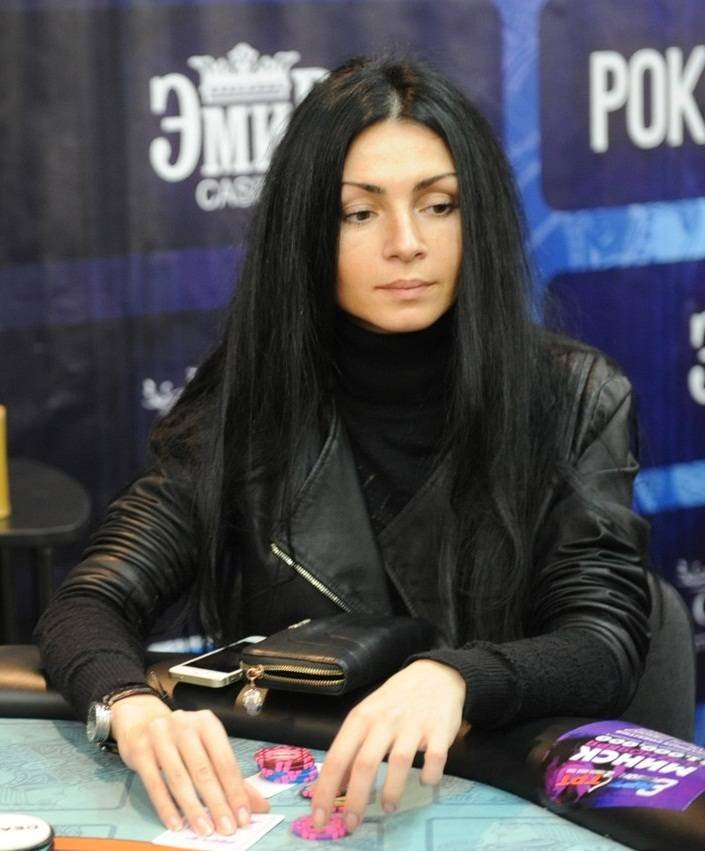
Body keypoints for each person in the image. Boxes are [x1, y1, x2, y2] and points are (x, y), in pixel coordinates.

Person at [36, 55, 651, 839]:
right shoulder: (244, 405)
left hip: (502, 806)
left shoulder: (576, 396)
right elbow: (92, 601)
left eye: (438, 205)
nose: (405, 243)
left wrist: (455, 676)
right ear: (305, 230)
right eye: (359, 213)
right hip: (303, 808)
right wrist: (129, 704)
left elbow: (603, 641)